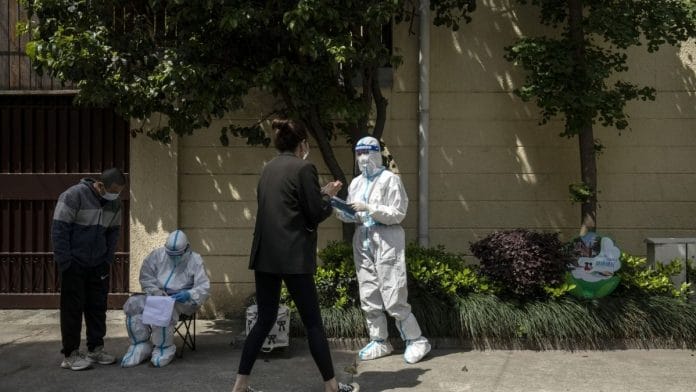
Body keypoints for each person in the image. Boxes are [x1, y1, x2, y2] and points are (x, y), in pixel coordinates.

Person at [232, 119, 359, 392]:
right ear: (302, 143)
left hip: (265, 256)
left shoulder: (267, 169)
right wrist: (327, 197)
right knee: (313, 322)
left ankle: (240, 385)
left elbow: (284, 207)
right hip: (293, 258)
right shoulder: (304, 168)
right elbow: (314, 212)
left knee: (264, 319)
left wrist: (319, 194)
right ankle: (332, 387)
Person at [334, 136, 431, 364]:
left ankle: (416, 340)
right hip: (363, 239)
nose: (362, 158)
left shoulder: (390, 180)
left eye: (367, 153)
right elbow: (354, 213)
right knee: (368, 293)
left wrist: (370, 208)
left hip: (387, 239)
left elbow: (398, 213)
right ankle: (380, 341)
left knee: (393, 291)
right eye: (358, 154)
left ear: (377, 153)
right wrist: (340, 209)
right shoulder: (357, 183)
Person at [51, 167, 127, 370]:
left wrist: (107, 259)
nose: (116, 195)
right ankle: (70, 354)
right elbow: (59, 229)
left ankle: (95, 349)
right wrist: (65, 262)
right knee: (72, 309)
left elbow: (113, 233)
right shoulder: (73, 196)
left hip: (99, 264)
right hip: (74, 263)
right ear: (100, 185)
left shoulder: (115, 203)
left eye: (119, 191)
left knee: (97, 308)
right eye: (113, 190)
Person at [120, 229, 210, 368]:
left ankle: (163, 348)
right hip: (158, 294)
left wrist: (189, 294)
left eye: (178, 255)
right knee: (133, 304)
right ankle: (140, 345)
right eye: (171, 255)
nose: (174, 258)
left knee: (165, 308)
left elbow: (204, 286)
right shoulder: (157, 256)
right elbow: (146, 277)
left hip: (183, 301)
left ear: (186, 249)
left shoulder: (195, 260)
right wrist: (156, 292)